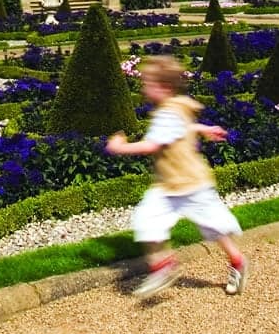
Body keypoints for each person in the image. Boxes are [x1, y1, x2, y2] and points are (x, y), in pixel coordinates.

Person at [105, 56, 248, 297]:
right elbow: (183, 128)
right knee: (148, 219)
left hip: (191, 184)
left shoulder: (167, 114)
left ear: (165, 88)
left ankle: (237, 261)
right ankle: (163, 266)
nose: (143, 88)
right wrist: (204, 129)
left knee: (213, 228)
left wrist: (120, 148)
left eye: (148, 83)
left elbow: (152, 146)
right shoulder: (176, 107)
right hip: (171, 185)